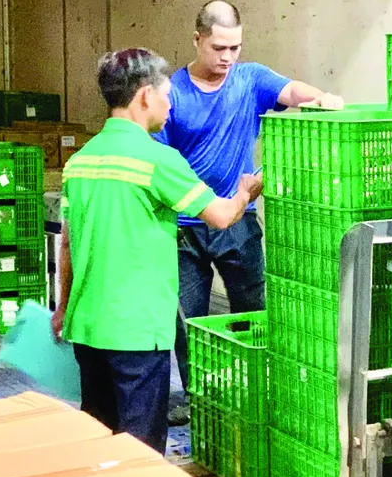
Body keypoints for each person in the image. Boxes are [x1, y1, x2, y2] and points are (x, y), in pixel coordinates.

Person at [53, 48, 263, 454]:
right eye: (168, 95)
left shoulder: (80, 161)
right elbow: (220, 216)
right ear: (145, 96)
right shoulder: (157, 159)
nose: (171, 106)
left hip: (87, 326)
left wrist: (63, 309)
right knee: (140, 452)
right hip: (135, 330)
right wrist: (245, 192)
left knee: (99, 441)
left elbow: (67, 242)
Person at [155, 0, 344, 425]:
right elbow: (161, 164)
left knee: (254, 310)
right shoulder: (174, 95)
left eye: (234, 48)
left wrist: (321, 98)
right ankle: (201, 399)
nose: (226, 58)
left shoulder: (250, 79)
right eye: (218, 48)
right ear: (197, 40)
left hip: (238, 223)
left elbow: (291, 90)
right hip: (186, 228)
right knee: (191, 323)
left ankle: (259, 390)